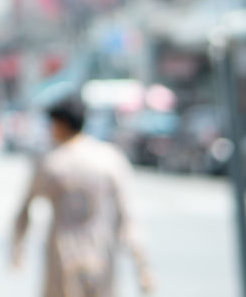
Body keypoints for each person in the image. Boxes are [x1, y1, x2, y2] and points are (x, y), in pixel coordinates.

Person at [13, 94, 154, 297]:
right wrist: (143, 265)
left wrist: (18, 249)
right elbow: (129, 215)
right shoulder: (109, 158)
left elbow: (24, 210)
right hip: (101, 254)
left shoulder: (51, 162)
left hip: (63, 256)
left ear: (59, 124)